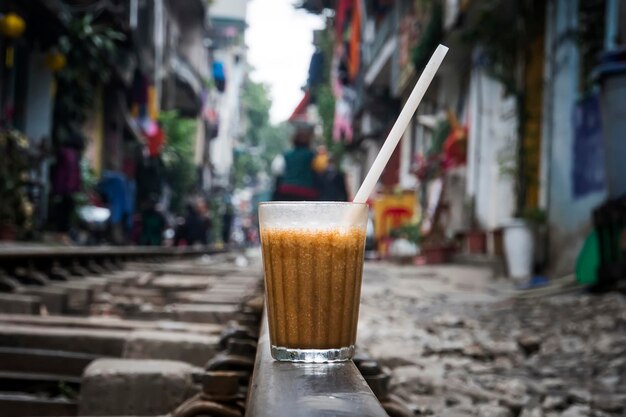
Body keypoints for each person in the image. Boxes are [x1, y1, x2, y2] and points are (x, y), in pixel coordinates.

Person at [272, 127, 323, 201]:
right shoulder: (312, 155)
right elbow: (319, 169)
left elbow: (277, 170)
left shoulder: (285, 155)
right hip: (307, 192)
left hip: (287, 190)